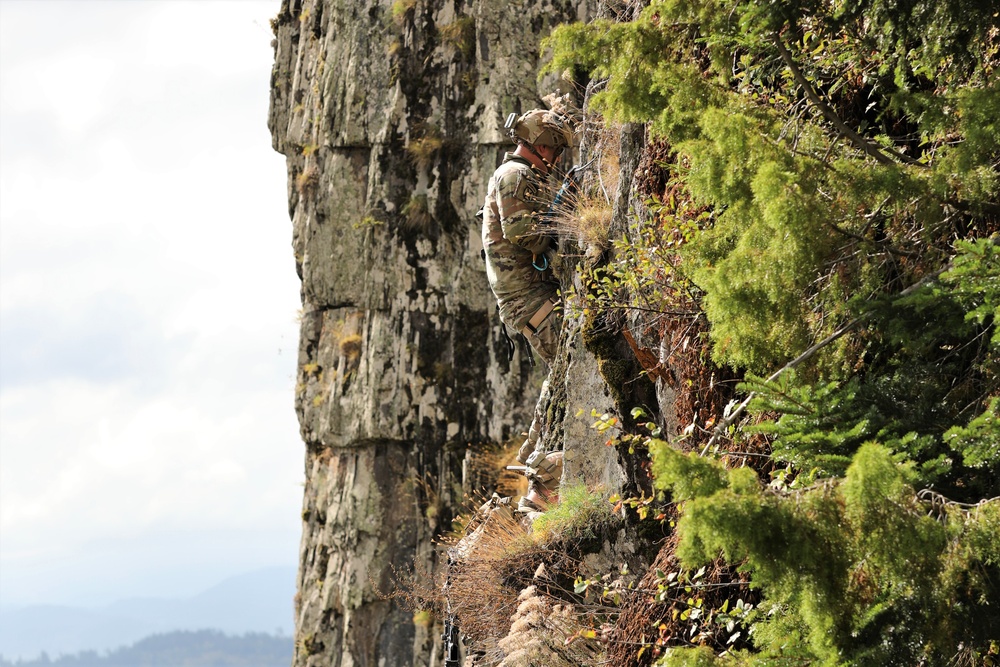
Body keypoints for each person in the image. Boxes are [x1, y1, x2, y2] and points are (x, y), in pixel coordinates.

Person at [482, 108, 576, 464]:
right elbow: (524, 235)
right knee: (570, 364)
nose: (556, 159)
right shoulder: (514, 176)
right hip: (528, 297)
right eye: (556, 149)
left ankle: (532, 446)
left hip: (529, 295)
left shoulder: (517, 175)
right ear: (543, 144)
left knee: (563, 365)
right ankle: (540, 458)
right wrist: (563, 224)